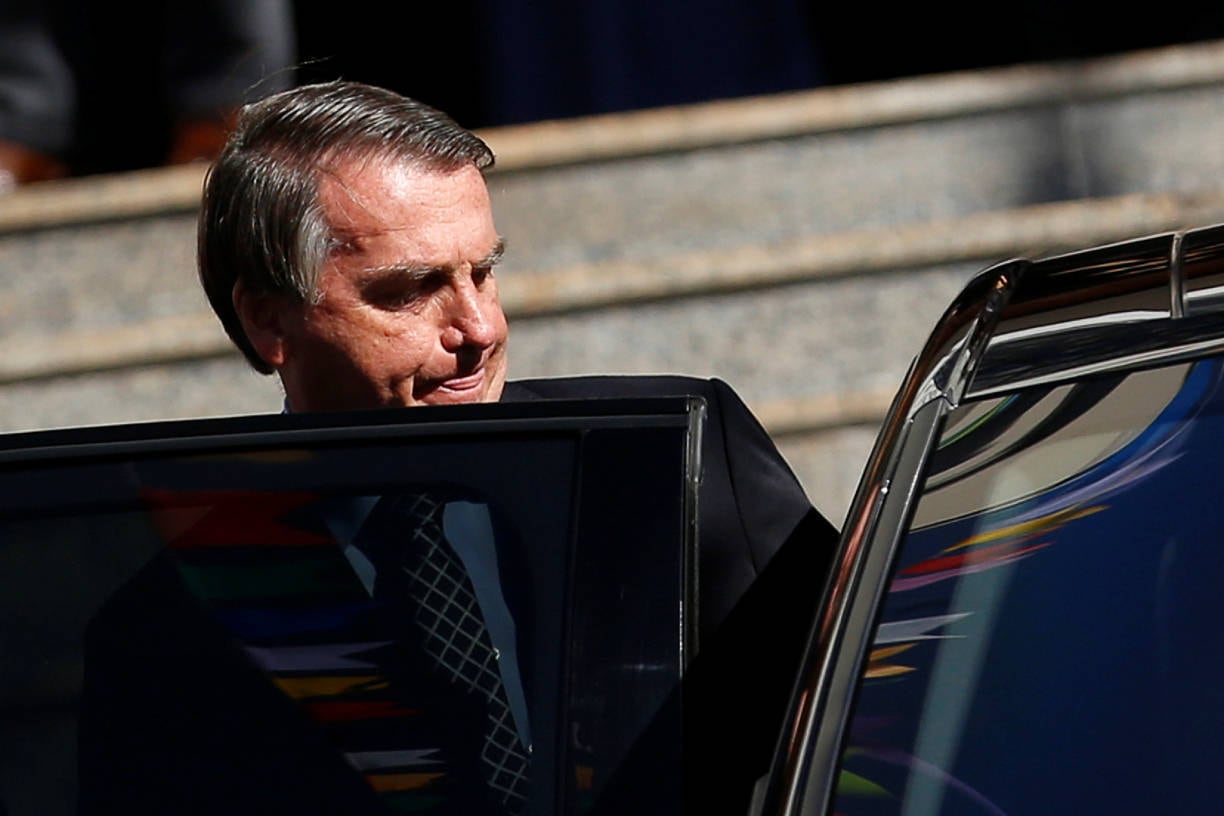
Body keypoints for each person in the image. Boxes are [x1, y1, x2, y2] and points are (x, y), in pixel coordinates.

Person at [80, 81, 839, 815]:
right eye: (411, 290)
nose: (479, 330)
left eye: (484, 272)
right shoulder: (174, 626)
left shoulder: (674, 462)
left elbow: (871, 716)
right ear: (269, 320)